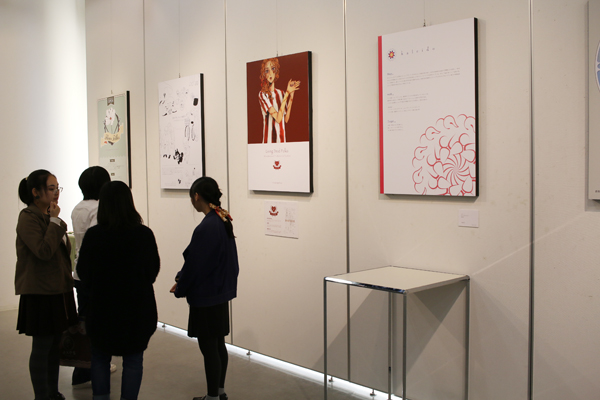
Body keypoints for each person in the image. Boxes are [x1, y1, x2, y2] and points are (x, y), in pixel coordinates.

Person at [76, 181, 160, 400]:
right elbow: (152, 271)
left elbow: (83, 272)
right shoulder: (143, 234)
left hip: (102, 309)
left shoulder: (94, 236)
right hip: (137, 310)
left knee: (99, 358)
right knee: (133, 360)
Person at [172, 177, 239, 400]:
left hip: (207, 295)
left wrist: (181, 285)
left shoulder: (208, 226)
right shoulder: (222, 219)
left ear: (196, 196)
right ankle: (219, 392)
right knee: (218, 344)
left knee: (209, 347)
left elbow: (196, 265)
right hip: (219, 292)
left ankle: (212, 397)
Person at [16, 169, 78, 400]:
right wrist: (54, 222)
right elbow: (43, 251)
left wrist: (55, 221)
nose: (56, 193)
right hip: (40, 292)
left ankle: (53, 392)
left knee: (55, 346)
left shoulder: (52, 218)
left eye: (57, 188)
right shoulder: (28, 217)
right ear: (36, 192)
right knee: (42, 347)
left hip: (58, 290)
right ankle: (42, 396)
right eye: (51, 188)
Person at [70, 166, 112, 385]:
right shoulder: (98, 209)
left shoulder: (77, 208)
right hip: (96, 274)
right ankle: (94, 365)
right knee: (99, 322)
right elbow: (99, 242)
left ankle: (82, 366)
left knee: (85, 319)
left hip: (80, 272)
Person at [258, 57, 300, 143]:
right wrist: (287, 93)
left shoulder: (281, 93)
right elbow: (278, 118)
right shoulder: (262, 94)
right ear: (264, 74)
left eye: (273, 69)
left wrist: (291, 94)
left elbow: (286, 119)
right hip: (268, 143)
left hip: (282, 142)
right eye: (267, 71)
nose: (270, 73)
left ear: (276, 71)